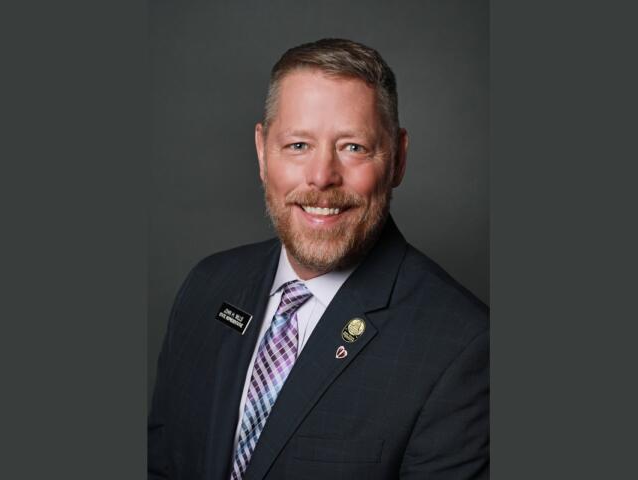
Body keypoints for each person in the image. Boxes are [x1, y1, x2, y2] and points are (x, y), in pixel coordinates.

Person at [148, 38, 488, 480]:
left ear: (398, 158)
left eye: (353, 147)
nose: (322, 177)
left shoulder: (461, 347)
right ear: (262, 152)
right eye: (298, 145)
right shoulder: (207, 287)